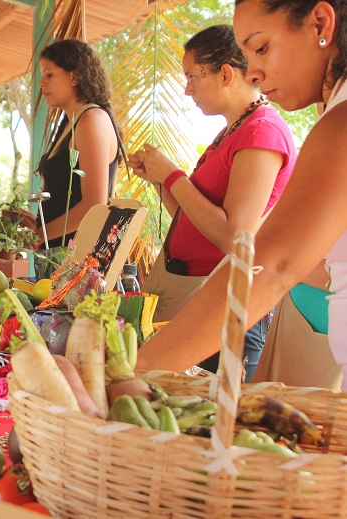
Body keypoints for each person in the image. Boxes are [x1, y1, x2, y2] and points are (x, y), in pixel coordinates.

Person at [137, 0, 347, 391]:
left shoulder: (330, 125)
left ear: (320, 23)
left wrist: (139, 368)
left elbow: (267, 259)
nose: (253, 72)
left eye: (262, 47)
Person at [128, 24, 297, 381]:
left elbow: (236, 235)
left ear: (224, 74)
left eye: (192, 76)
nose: (187, 89)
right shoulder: (234, 131)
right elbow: (193, 220)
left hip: (224, 305)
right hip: (196, 296)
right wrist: (162, 182)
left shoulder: (262, 129)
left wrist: (174, 176)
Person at [34, 39, 122, 250]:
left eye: (49, 74)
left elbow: (94, 205)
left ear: (73, 76)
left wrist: (37, 236)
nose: (41, 83)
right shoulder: (71, 123)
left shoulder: (91, 119)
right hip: (59, 255)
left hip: (78, 263)